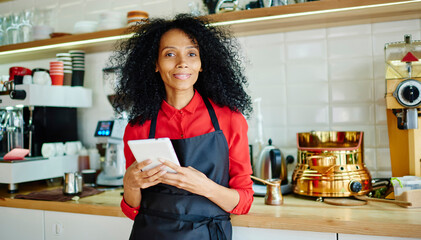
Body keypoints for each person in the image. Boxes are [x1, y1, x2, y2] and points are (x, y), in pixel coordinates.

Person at [111, 14, 254, 240]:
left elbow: (244, 201)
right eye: (170, 54)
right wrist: (130, 184)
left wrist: (204, 187)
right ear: (155, 64)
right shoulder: (138, 127)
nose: (182, 63)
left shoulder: (230, 119)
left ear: (202, 63)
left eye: (191, 53)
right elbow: (133, 210)